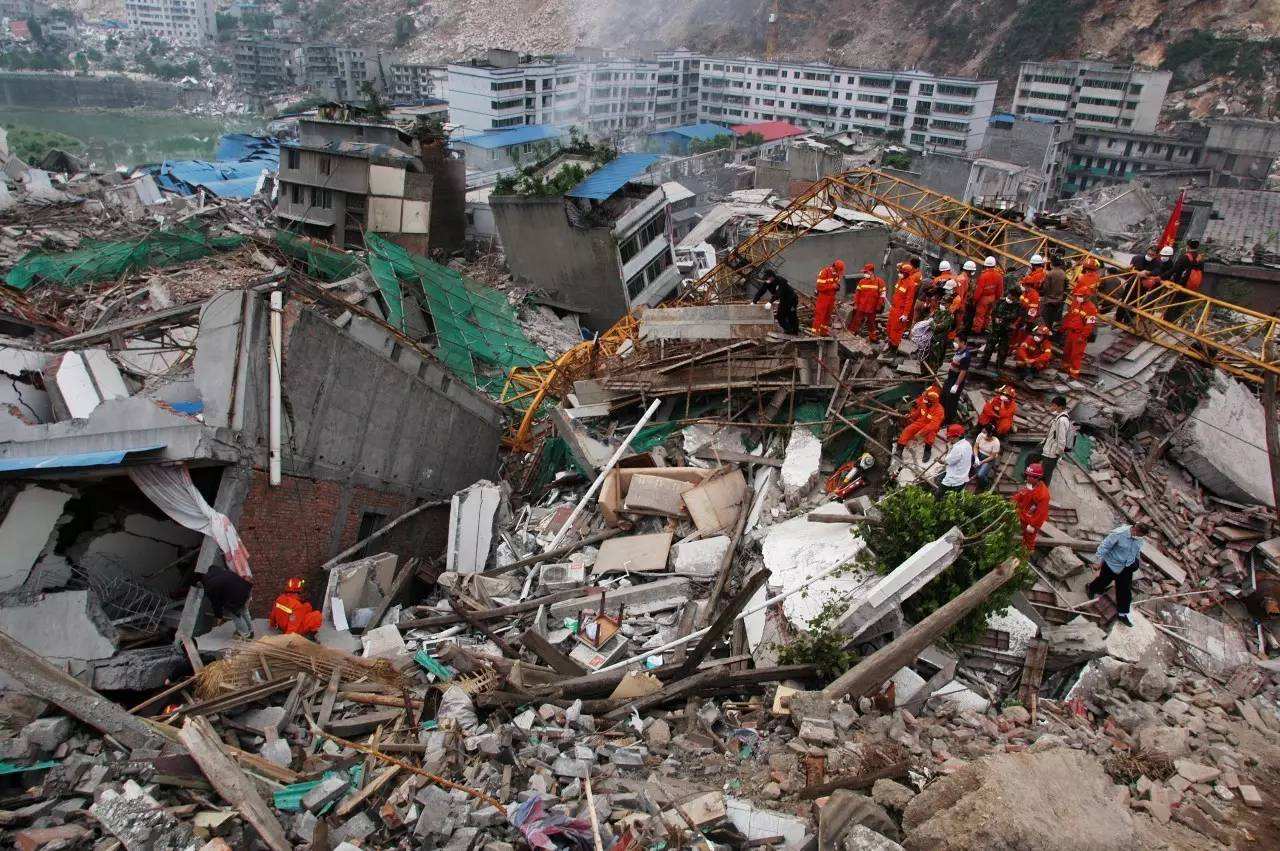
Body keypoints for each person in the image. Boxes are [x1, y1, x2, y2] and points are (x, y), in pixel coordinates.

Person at [1086, 522, 1148, 627]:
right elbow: (1105, 546)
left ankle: (1122, 614)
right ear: (1136, 530)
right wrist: (1097, 561)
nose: (1141, 538)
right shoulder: (1119, 534)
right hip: (1112, 564)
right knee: (1103, 581)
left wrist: (1136, 561)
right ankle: (1091, 588)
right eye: (1140, 535)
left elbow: (1137, 550)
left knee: (1125, 591)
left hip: (1126, 567)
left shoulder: (1140, 538)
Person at [198, 563, 254, 640]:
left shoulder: (209, 586)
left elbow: (216, 604)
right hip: (246, 588)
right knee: (244, 611)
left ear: (202, 583)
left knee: (236, 616)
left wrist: (219, 617)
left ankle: (246, 635)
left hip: (236, 597)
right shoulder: (220, 571)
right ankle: (251, 630)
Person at [894, 384, 945, 462]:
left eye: (926, 399)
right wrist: (910, 416)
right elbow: (918, 412)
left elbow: (933, 425)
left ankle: (927, 450)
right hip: (922, 421)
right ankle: (899, 450)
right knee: (908, 430)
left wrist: (920, 433)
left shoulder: (939, 411)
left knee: (930, 435)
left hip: (931, 426)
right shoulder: (924, 402)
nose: (924, 400)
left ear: (932, 401)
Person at [979, 287, 1022, 370]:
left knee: (1003, 350)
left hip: (1007, 330)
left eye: (1013, 296)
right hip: (996, 329)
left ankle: (999, 368)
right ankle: (983, 364)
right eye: (1010, 295)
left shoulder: (1017, 305)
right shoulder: (1000, 301)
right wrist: (995, 319)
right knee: (989, 347)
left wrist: (1003, 318)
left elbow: (1015, 316)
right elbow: (994, 312)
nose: (1011, 297)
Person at [1012, 462, 1051, 550]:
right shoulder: (1029, 485)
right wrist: (1012, 503)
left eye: (1030, 476)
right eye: (1027, 475)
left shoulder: (1043, 495)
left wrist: (1033, 525)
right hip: (1021, 513)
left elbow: (1041, 513)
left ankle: (1025, 556)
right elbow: (1020, 495)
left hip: (1030, 520)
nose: (1027, 478)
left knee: (1028, 540)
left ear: (1037, 478)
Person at [1060, 295, 1099, 379]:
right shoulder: (1076, 303)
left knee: (1076, 355)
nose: (1078, 297)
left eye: (1080, 296)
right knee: (1067, 351)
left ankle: (1073, 374)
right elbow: (1069, 316)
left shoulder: (1092, 308)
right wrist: (1064, 328)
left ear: (1087, 296)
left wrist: (1083, 336)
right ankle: (1065, 368)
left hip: (1079, 335)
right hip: (1071, 332)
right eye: (1077, 295)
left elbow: (1090, 325)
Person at [752, 269, 799, 334]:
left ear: (772, 276)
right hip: (783, 300)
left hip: (791, 299)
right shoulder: (768, 282)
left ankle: (795, 331)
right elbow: (761, 291)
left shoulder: (781, 281)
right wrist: (754, 301)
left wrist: (770, 302)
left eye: (767, 278)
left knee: (791, 315)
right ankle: (789, 330)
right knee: (780, 316)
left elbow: (779, 293)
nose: (767, 280)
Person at [1039, 394, 1072, 484]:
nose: (1051, 407)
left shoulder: (1062, 421)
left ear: (1060, 407)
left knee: (1046, 473)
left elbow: (1061, 440)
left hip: (1052, 453)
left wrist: (1058, 453)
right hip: (1048, 448)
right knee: (1033, 458)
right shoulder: (1059, 416)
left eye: (1053, 405)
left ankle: (1043, 492)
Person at [847, 262, 885, 340]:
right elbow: (857, 294)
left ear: (871, 272)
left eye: (865, 272)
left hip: (872, 308)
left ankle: (873, 337)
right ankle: (850, 336)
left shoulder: (880, 282)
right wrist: (856, 304)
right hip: (861, 307)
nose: (864, 273)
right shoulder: (862, 282)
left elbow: (882, 295)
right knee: (856, 321)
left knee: (871, 323)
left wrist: (879, 306)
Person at [885, 261, 919, 347]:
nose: (899, 274)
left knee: (896, 331)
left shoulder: (911, 285)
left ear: (906, 274)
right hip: (894, 308)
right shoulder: (900, 280)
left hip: (900, 311)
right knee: (889, 327)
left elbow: (909, 300)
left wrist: (905, 314)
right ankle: (890, 344)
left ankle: (893, 348)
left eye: (901, 272)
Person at [939, 338, 972, 424]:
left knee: (951, 400)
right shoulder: (958, 350)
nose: (955, 343)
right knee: (943, 396)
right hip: (950, 377)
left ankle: (948, 420)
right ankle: (940, 415)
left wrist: (956, 385)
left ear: (963, 342)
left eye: (957, 341)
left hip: (956, 379)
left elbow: (963, 372)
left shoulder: (966, 356)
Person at [971, 256, 1004, 334]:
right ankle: (984, 329)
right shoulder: (999, 275)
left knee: (979, 315)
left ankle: (976, 331)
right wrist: (997, 299)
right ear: (994, 265)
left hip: (983, 299)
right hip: (993, 297)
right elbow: (1000, 289)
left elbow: (979, 290)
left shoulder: (983, 275)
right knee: (988, 314)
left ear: (986, 265)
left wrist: (974, 299)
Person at [938, 423, 973, 496]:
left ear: (955, 437)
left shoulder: (957, 448)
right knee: (940, 477)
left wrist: (949, 448)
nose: (949, 439)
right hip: (963, 476)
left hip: (953, 480)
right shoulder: (967, 444)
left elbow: (946, 461)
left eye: (949, 437)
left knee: (938, 496)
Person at [812, 260, 844, 335]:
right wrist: (832, 286)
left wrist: (837, 287)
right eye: (839, 271)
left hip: (831, 297)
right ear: (834, 268)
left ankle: (823, 331)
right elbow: (819, 287)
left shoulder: (837, 274)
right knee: (820, 314)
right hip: (823, 297)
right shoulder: (824, 272)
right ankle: (815, 332)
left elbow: (836, 284)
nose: (839, 273)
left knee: (827, 315)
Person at [1042, 256, 1068, 334]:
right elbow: (1066, 286)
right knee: (1053, 320)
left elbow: (1045, 287)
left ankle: (1045, 338)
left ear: (1052, 263)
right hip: (1059, 301)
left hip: (1049, 301)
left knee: (1046, 321)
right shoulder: (1063, 273)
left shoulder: (1050, 273)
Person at [973, 424, 1001, 490]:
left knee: (980, 475)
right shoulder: (980, 435)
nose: (983, 434)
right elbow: (975, 447)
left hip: (988, 459)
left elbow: (992, 456)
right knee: (972, 468)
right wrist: (976, 457)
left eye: (985, 433)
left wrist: (981, 462)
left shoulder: (996, 442)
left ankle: (986, 484)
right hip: (978, 454)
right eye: (983, 432)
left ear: (990, 434)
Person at [951, 260, 976, 333]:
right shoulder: (963, 279)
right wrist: (960, 308)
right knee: (957, 326)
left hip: (958, 305)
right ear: (970, 271)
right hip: (959, 306)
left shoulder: (961, 277)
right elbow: (960, 295)